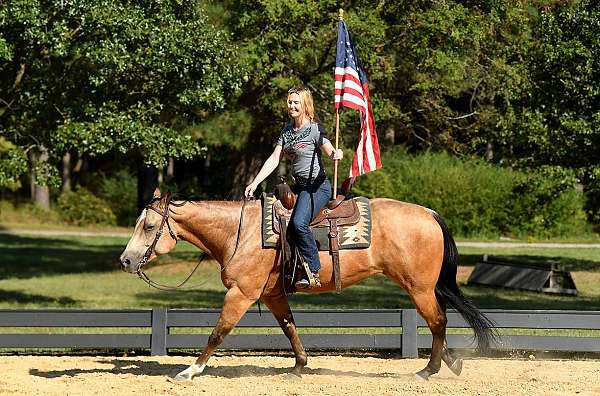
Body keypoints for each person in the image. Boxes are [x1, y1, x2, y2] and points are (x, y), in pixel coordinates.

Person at [245, 86, 343, 289]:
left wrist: (336, 154)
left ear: (305, 104)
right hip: (298, 186)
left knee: (299, 223)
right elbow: (274, 159)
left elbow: (329, 150)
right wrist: (254, 182)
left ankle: (313, 270)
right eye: (290, 102)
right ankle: (285, 268)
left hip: (316, 187)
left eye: (296, 102)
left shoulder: (314, 129)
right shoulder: (287, 131)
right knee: (271, 212)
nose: (291, 105)